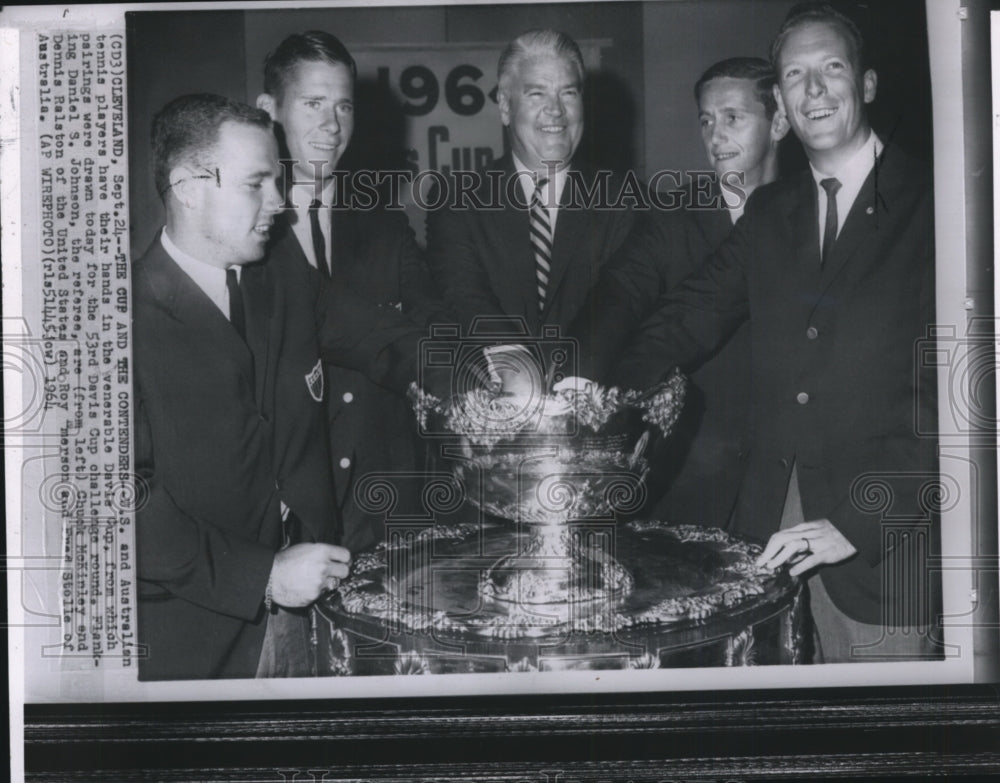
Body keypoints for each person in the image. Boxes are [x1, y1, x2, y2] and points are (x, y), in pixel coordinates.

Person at [570, 3, 939, 662]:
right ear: (783, 101)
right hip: (768, 539)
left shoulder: (940, 205)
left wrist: (857, 520)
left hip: (886, 547)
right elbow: (687, 315)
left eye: (831, 69)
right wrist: (589, 394)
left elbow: (969, 404)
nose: (814, 90)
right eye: (796, 75)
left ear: (870, 84)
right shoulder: (772, 212)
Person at [133, 94, 426, 680]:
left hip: (316, 618)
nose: (280, 204)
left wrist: (483, 375)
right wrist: (262, 576)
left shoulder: (282, 274)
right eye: (256, 184)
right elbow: (124, 506)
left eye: (278, 181)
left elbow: (381, 338)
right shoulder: (112, 323)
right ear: (188, 186)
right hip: (202, 645)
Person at [569, 57, 788, 528]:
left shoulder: (816, 213)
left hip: (789, 483)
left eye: (733, 117)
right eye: (706, 120)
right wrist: (579, 380)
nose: (715, 135)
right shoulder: (672, 216)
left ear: (781, 121)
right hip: (691, 480)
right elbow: (620, 291)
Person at [256, 31, 446, 552]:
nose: (331, 126)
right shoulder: (243, 231)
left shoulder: (385, 223)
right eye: (312, 103)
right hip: (279, 521)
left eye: (343, 106)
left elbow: (433, 333)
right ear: (268, 110)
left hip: (387, 509)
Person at [425, 29, 636, 338]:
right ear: (506, 107)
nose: (556, 110)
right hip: (496, 380)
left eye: (568, 93)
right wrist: (518, 367)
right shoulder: (455, 200)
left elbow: (622, 307)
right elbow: (462, 296)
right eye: (537, 93)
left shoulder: (626, 201)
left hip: (592, 382)